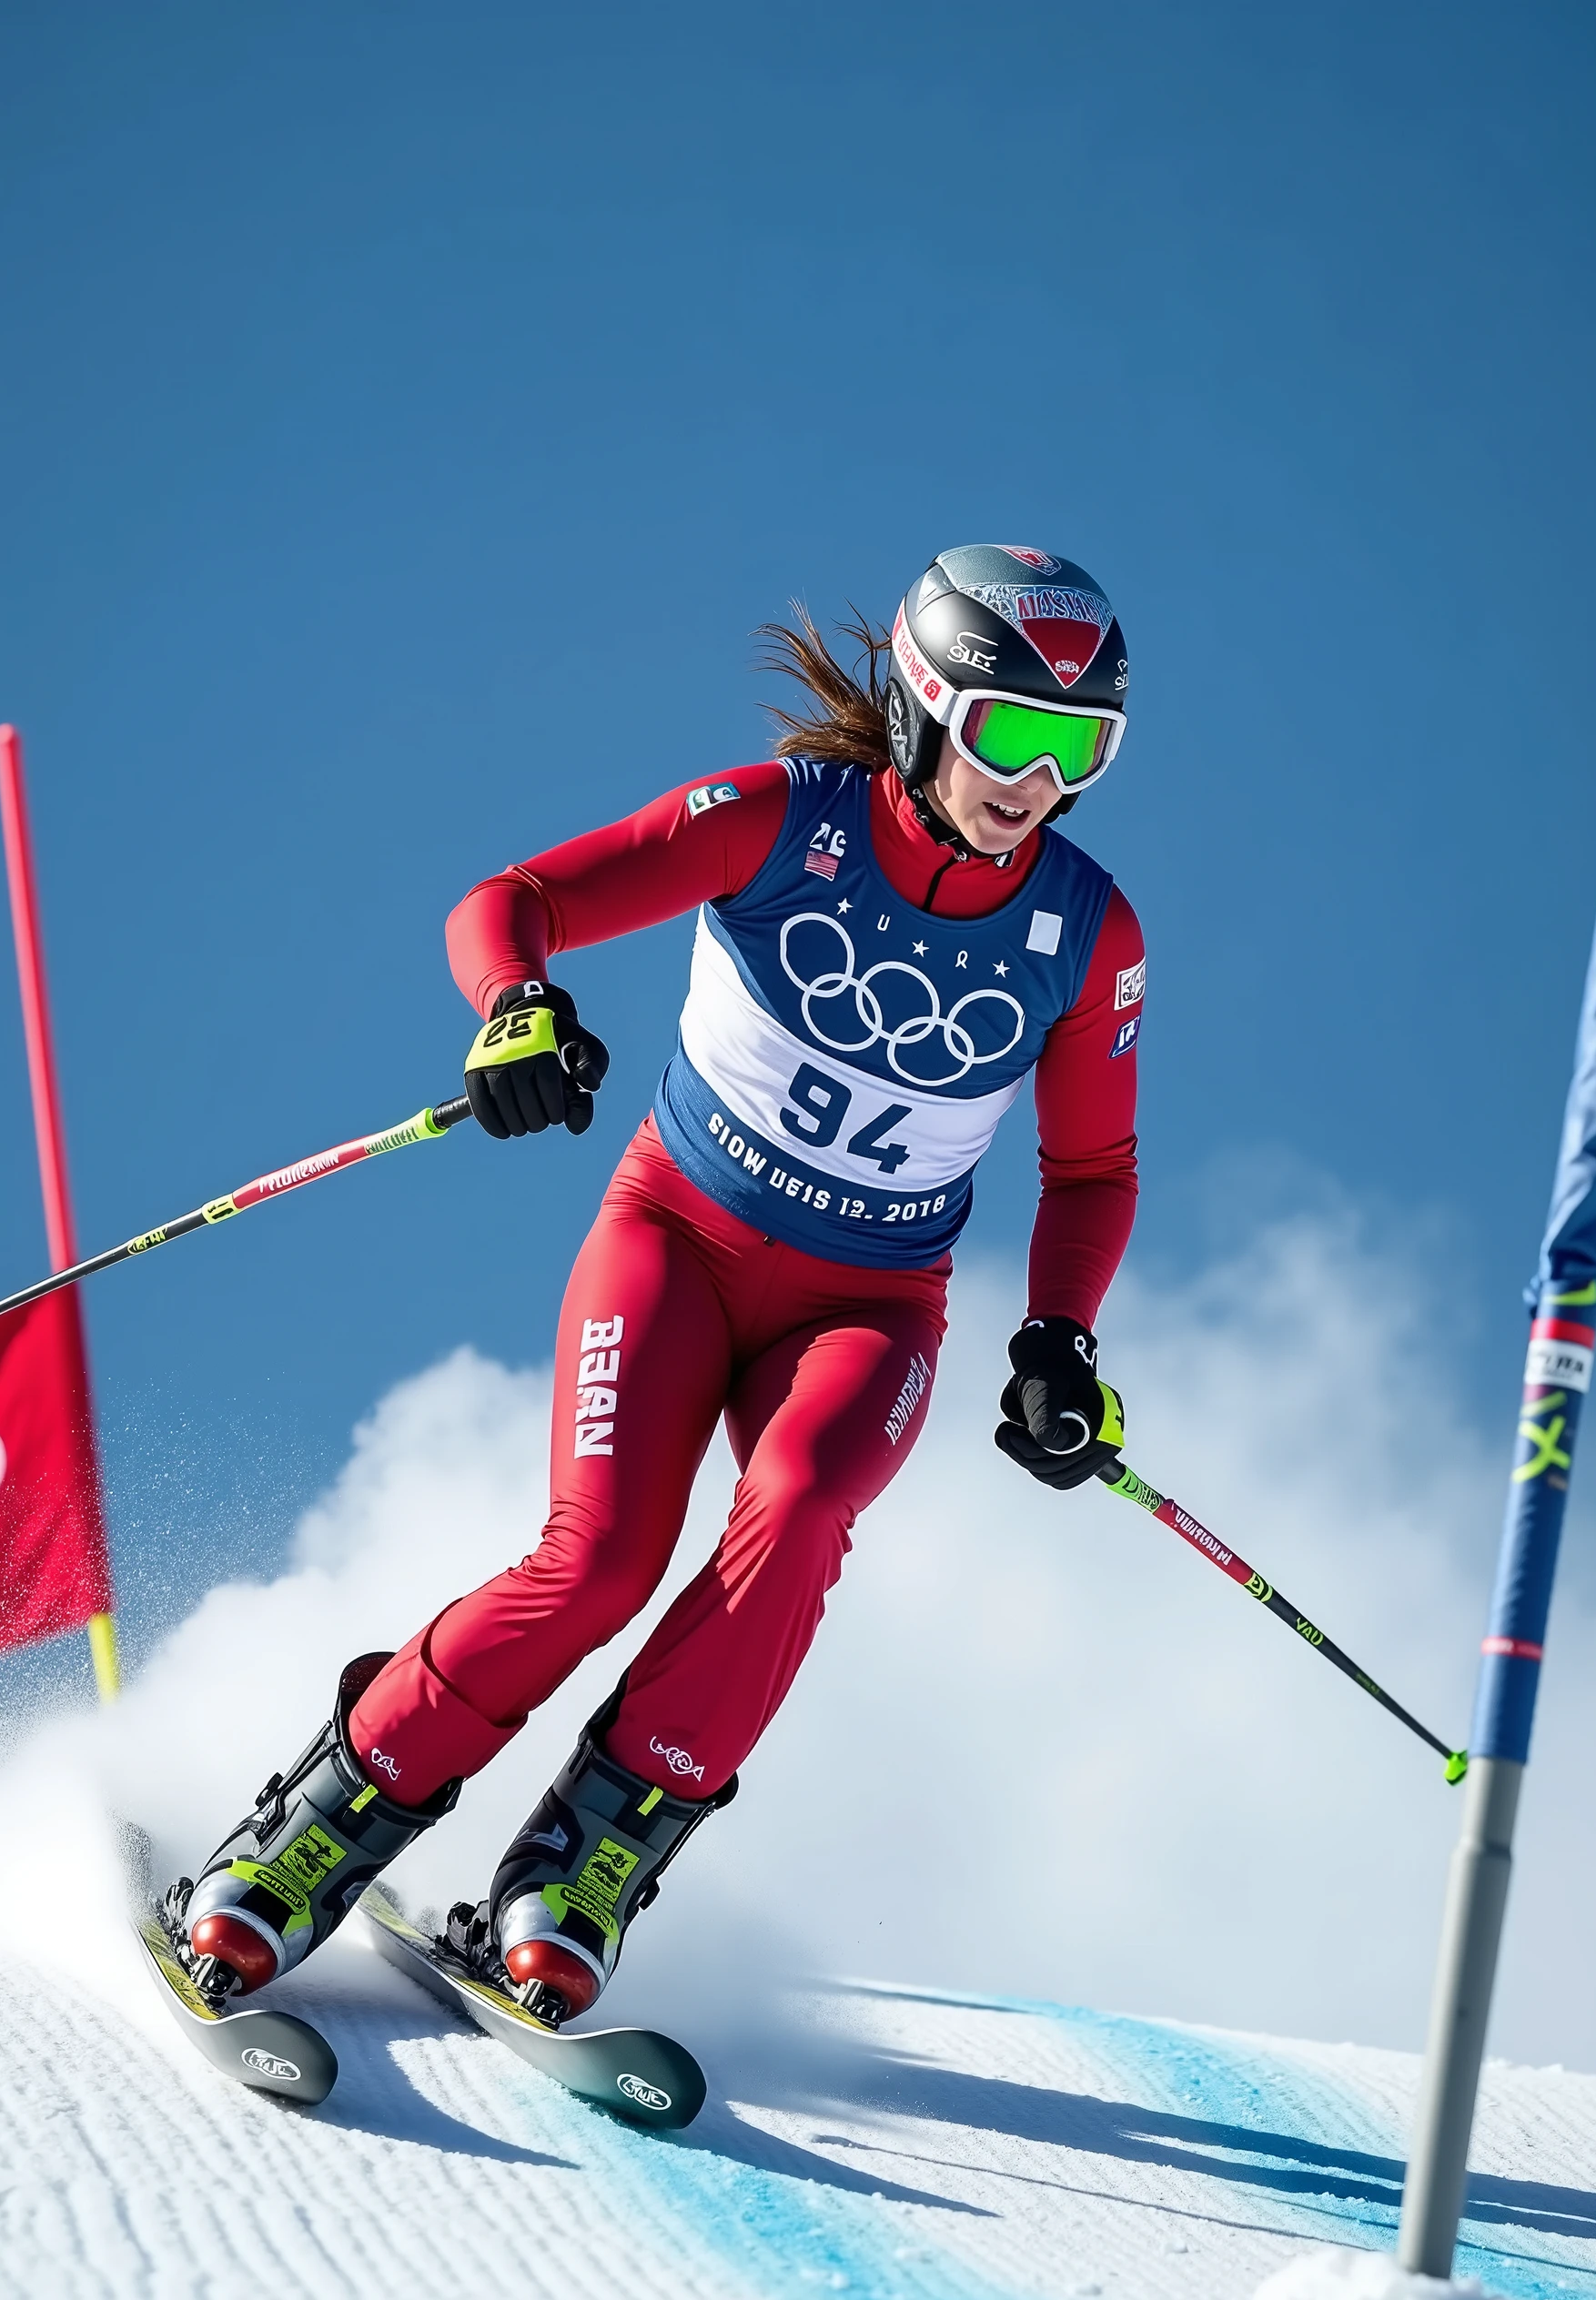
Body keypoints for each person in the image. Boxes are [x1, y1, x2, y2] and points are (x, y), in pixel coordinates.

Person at [164, 545, 1146, 2025]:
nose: (1034, 780)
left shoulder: (1086, 930)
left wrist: (1060, 1339)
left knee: (805, 1509)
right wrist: (515, 1011)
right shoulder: (778, 825)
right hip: (677, 1242)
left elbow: (1091, 1173)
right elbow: (512, 904)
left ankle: (585, 1865)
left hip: (871, 1309)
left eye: (1079, 749)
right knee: (603, 1558)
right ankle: (312, 1834)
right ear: (929, 709)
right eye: (1011, 733)